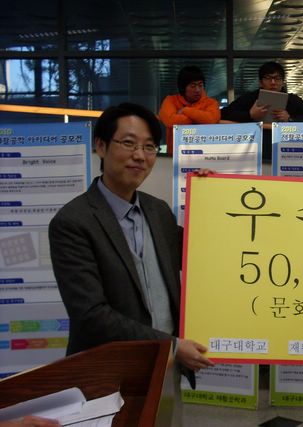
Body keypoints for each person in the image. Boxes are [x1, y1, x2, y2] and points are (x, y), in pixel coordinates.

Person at [49, 103, 214, 388]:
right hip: (106, 375)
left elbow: (199, 254)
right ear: (101, 146)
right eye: (128, 143)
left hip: (165, 370)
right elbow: (91, 316)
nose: (140, 155)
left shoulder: (158, 211)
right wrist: (172, 346)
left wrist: (214, 198)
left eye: (149, 147)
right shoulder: (73, 222)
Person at [221, 61, 303, 162]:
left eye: (277, 78)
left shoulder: (293, 100)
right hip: (255, 153)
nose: (273, 82)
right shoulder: (249, 98)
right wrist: (249, 115)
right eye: (268, 78)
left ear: (283, 81)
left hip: (287, 153)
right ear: (260, 82)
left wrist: (290, 119)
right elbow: (223, 114)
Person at [159, 65, 221, 155]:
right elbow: (169, 121)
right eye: (193, 86)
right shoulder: (170, 100)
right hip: (175, 156)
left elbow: (211, 119)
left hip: (204, 155)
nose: (197, 90)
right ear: (183, 87)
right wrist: (201, 118)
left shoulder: (211, 103)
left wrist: (185, 110)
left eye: (200, 85)